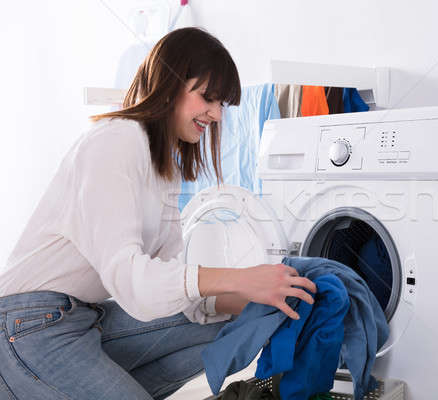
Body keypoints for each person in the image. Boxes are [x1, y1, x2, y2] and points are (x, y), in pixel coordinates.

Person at [0, 27, 316, 400]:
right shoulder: (116, 140)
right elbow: (133, 281)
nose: (215, 114)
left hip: (85, 318)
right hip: (28, 324)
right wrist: (241, 277)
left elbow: (164, 294)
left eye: (221, 104)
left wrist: (256, 301)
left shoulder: (164, 168)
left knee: (235, 326)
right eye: (208, 98)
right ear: (170, 83)